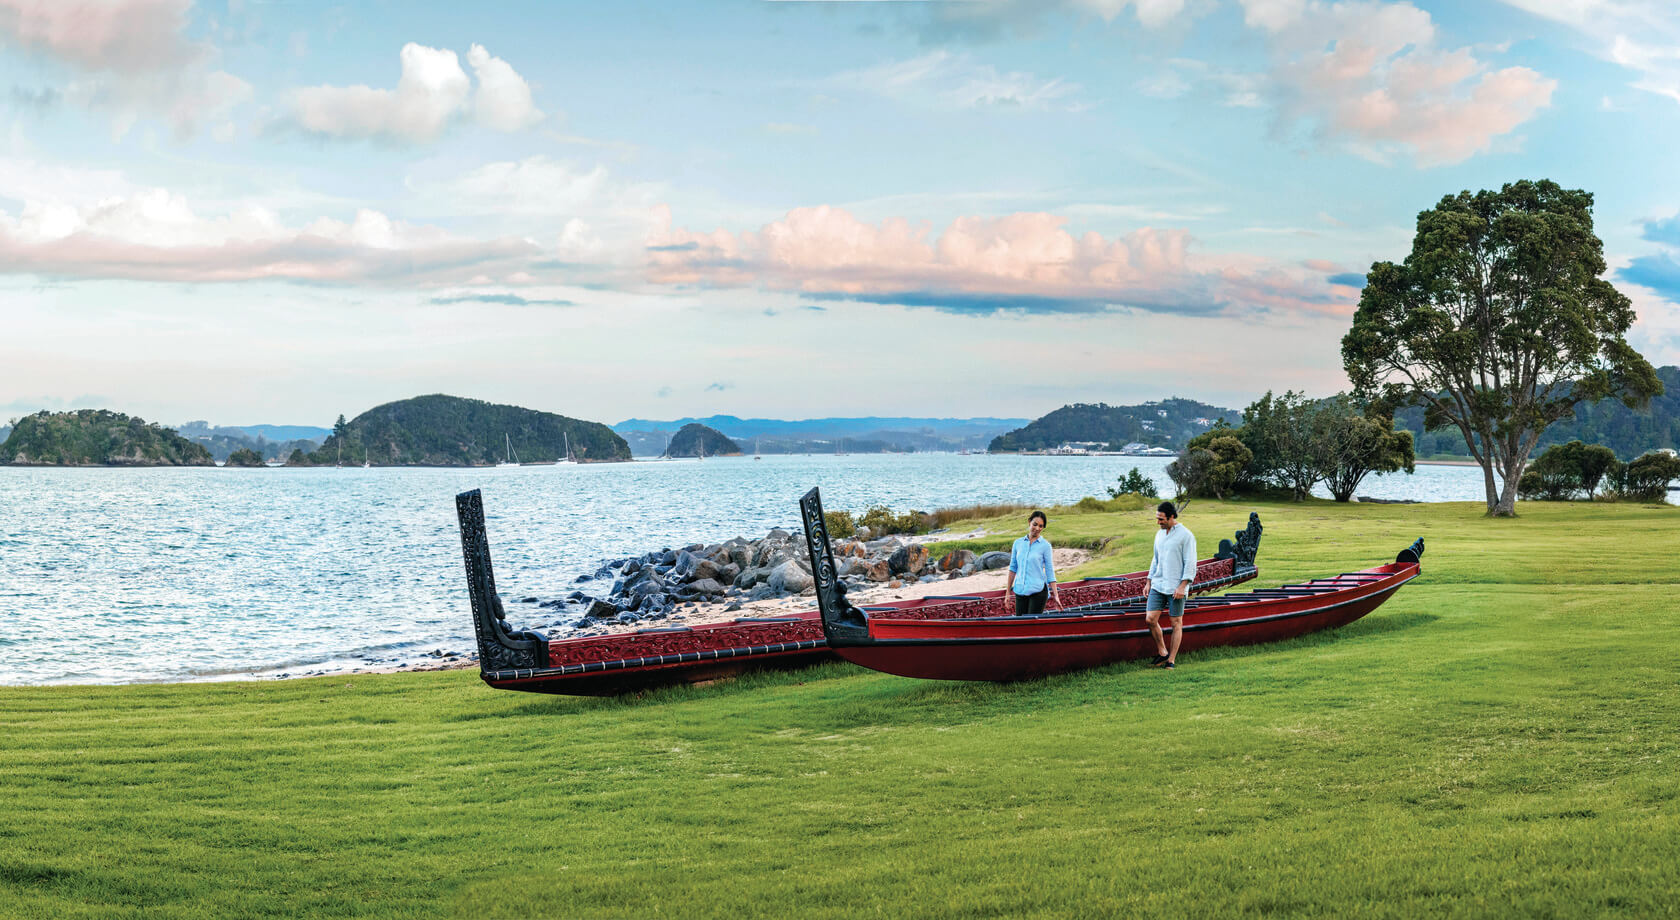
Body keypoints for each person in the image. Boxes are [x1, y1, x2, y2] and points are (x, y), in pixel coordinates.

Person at [1145, 500, 1196, 669]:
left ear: (1172, 516)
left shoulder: (1186, 535)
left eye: (1161, 519)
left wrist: (1182, 586)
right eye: (1157, 518)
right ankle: (1162, 652)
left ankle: (1171, 660)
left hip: (1176, 587)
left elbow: (1190, 563)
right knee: (1150, 619)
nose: (1158, 522)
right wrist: (1148, 581)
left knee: (1176, 623)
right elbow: (1155, 559)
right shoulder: (1159, 534)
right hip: (1158, 584)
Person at [1005, 510, 1062, 616]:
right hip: (1020, 590)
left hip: (1038, 591)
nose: (1037, 528)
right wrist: (1007, 592)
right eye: (1035, 524)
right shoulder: (1018, 543)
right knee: (1020, 625)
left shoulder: (1045, 546)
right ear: (1029, 522)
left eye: (1041, 526)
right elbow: (1013, 568)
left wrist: (1056, 595)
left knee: (1031, 625)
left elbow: (1049, 571)